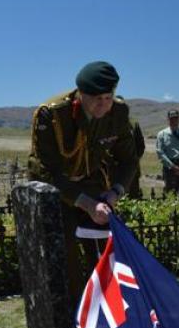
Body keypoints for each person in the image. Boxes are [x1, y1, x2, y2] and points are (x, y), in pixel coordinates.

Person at [28, 60, 137, 305]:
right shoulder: (53, 114)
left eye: (109, 97)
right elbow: (45, 170)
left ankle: (107, 309)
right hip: (57, 190)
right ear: (82, 95)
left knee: (102, 251)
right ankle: (74, 313)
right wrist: (85, 203)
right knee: (64, 256)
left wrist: (115, 192)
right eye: (98, 99)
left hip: (94, 185)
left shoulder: (118, 113)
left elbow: (129, 160)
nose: (104, 105)